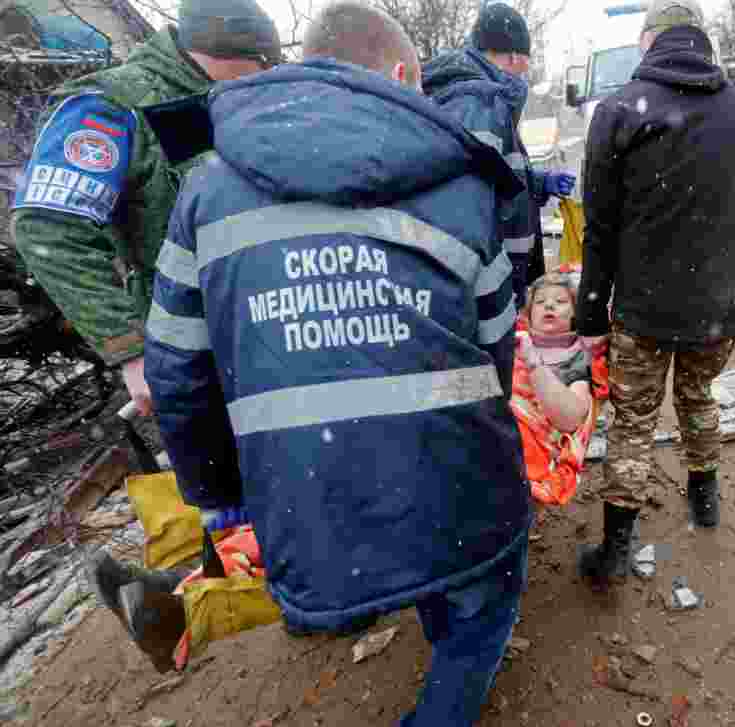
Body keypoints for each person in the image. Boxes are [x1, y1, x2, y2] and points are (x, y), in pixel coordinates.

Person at [98, 4, 531, 725]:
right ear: (399, 75)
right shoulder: (463, 186)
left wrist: (222, 496)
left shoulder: (207, 190)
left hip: (302, 498)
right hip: (457, 490)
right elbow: (496, 353)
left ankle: (412, 595)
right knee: (482, 605)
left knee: (391, 565)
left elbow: (176, 369)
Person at [10, 0, 281, 416]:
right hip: (189, 343)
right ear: (247, 57)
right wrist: (130, 349)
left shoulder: (213, 99)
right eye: (265, 67)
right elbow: (48, 228)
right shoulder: (113, 107)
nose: (266, 81)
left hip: (258, 328)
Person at [574, 0, 735, 583]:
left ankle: (615, 551)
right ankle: (705, 502)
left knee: (632, 422)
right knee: (699, 399)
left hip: (644, 311)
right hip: (716, 306)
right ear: (700, 40)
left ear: (649, 39)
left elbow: (600, 224)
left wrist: (589, 312)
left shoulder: (620, 109)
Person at [422, 2, 575, 308]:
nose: (526, 73)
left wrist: (536, 183)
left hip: (489, 275)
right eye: (526, 63)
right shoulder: (478, 102)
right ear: (515, 56)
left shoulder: (473, 96)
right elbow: (471, 202)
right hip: (490, 281)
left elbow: (492, 172)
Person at [513, 270, 609, 506]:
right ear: (528, 312)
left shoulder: (577, 357)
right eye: (541, 301)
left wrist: (533, 362)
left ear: (575, 312)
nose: (549, 306)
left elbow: (571, 418)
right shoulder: (511, 341)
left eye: (560, 301)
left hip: (536, 441)